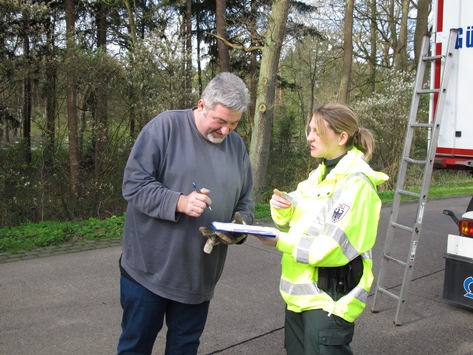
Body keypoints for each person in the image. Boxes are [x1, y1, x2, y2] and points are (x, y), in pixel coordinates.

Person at [117, 72, 255, 355]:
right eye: (220, 121)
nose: (226, 131)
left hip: (198, 278)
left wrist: (239, 225)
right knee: (135, 347)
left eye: (234, 123)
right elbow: (133, 184)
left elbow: (246, 201)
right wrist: (178, 202)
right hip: (148, 273)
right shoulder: (165, 127)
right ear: (201, 105)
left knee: (184, 348)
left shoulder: (237, 146)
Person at [254, 103, 388, 354]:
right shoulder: (318, 176)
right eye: (309, 130)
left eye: (316, 131)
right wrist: (283, 206)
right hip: (300, 298)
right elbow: (293, 218)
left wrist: (280, 241)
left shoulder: (356, 183)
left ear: (342, 137)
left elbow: (332, 247)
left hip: (328, 300)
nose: (309, 137)